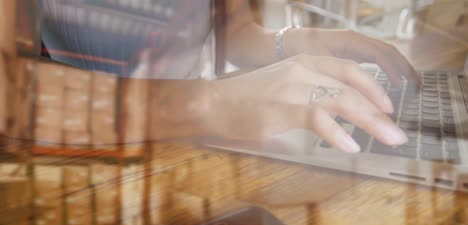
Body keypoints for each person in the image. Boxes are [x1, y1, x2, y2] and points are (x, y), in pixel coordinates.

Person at [40, 0, 420, 153]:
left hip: (186, 149)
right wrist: (211, 102)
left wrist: (305, 41)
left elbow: (234, 31)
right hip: (75, 149)